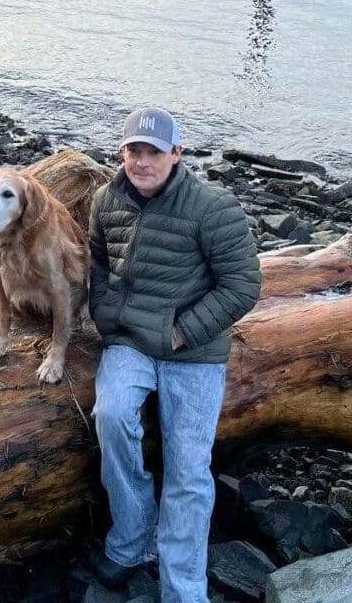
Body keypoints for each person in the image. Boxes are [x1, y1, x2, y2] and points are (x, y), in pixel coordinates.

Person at [88, 107, 261, 602]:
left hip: (195, 352)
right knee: (112, 414)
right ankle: (131, 541)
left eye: (153, 152)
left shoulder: (212, 206)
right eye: (133, 151)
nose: (142, 162)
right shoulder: (107, 199)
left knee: (188, 469)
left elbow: (243, 285)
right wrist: (106, 314)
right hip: (129, 342)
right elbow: (98, 261)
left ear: (177, 153)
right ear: (122, 152)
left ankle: (183, 590)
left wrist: (184, 333)